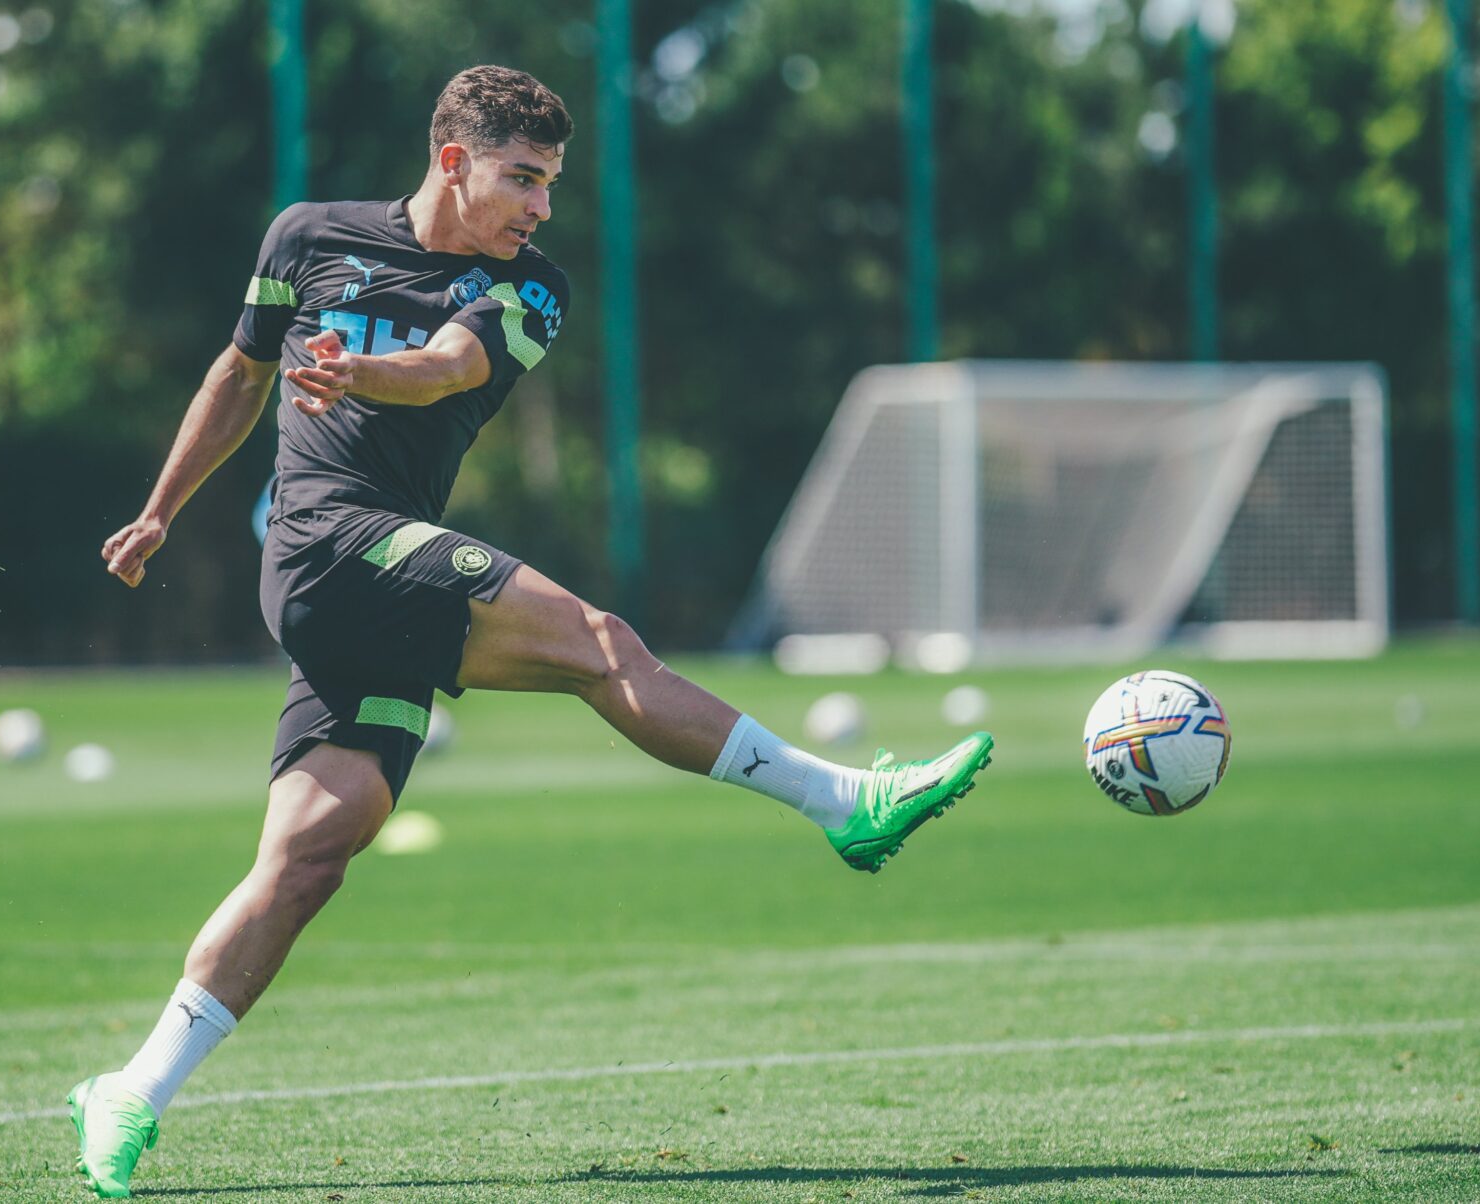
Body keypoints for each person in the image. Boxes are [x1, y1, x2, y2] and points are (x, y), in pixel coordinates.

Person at [67, 65, 992, 1198]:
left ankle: (130, 1091)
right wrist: (160, 509)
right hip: (322, 544)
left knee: (310, 854)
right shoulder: (305, 237)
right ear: (454, 161)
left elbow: (446, 370)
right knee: (598, 645)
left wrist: (361, 371)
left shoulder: (532, 290)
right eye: (522, 179)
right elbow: (239, 372)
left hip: (376, 573)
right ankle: (843, 801)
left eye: (550, 183)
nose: (541, 206)